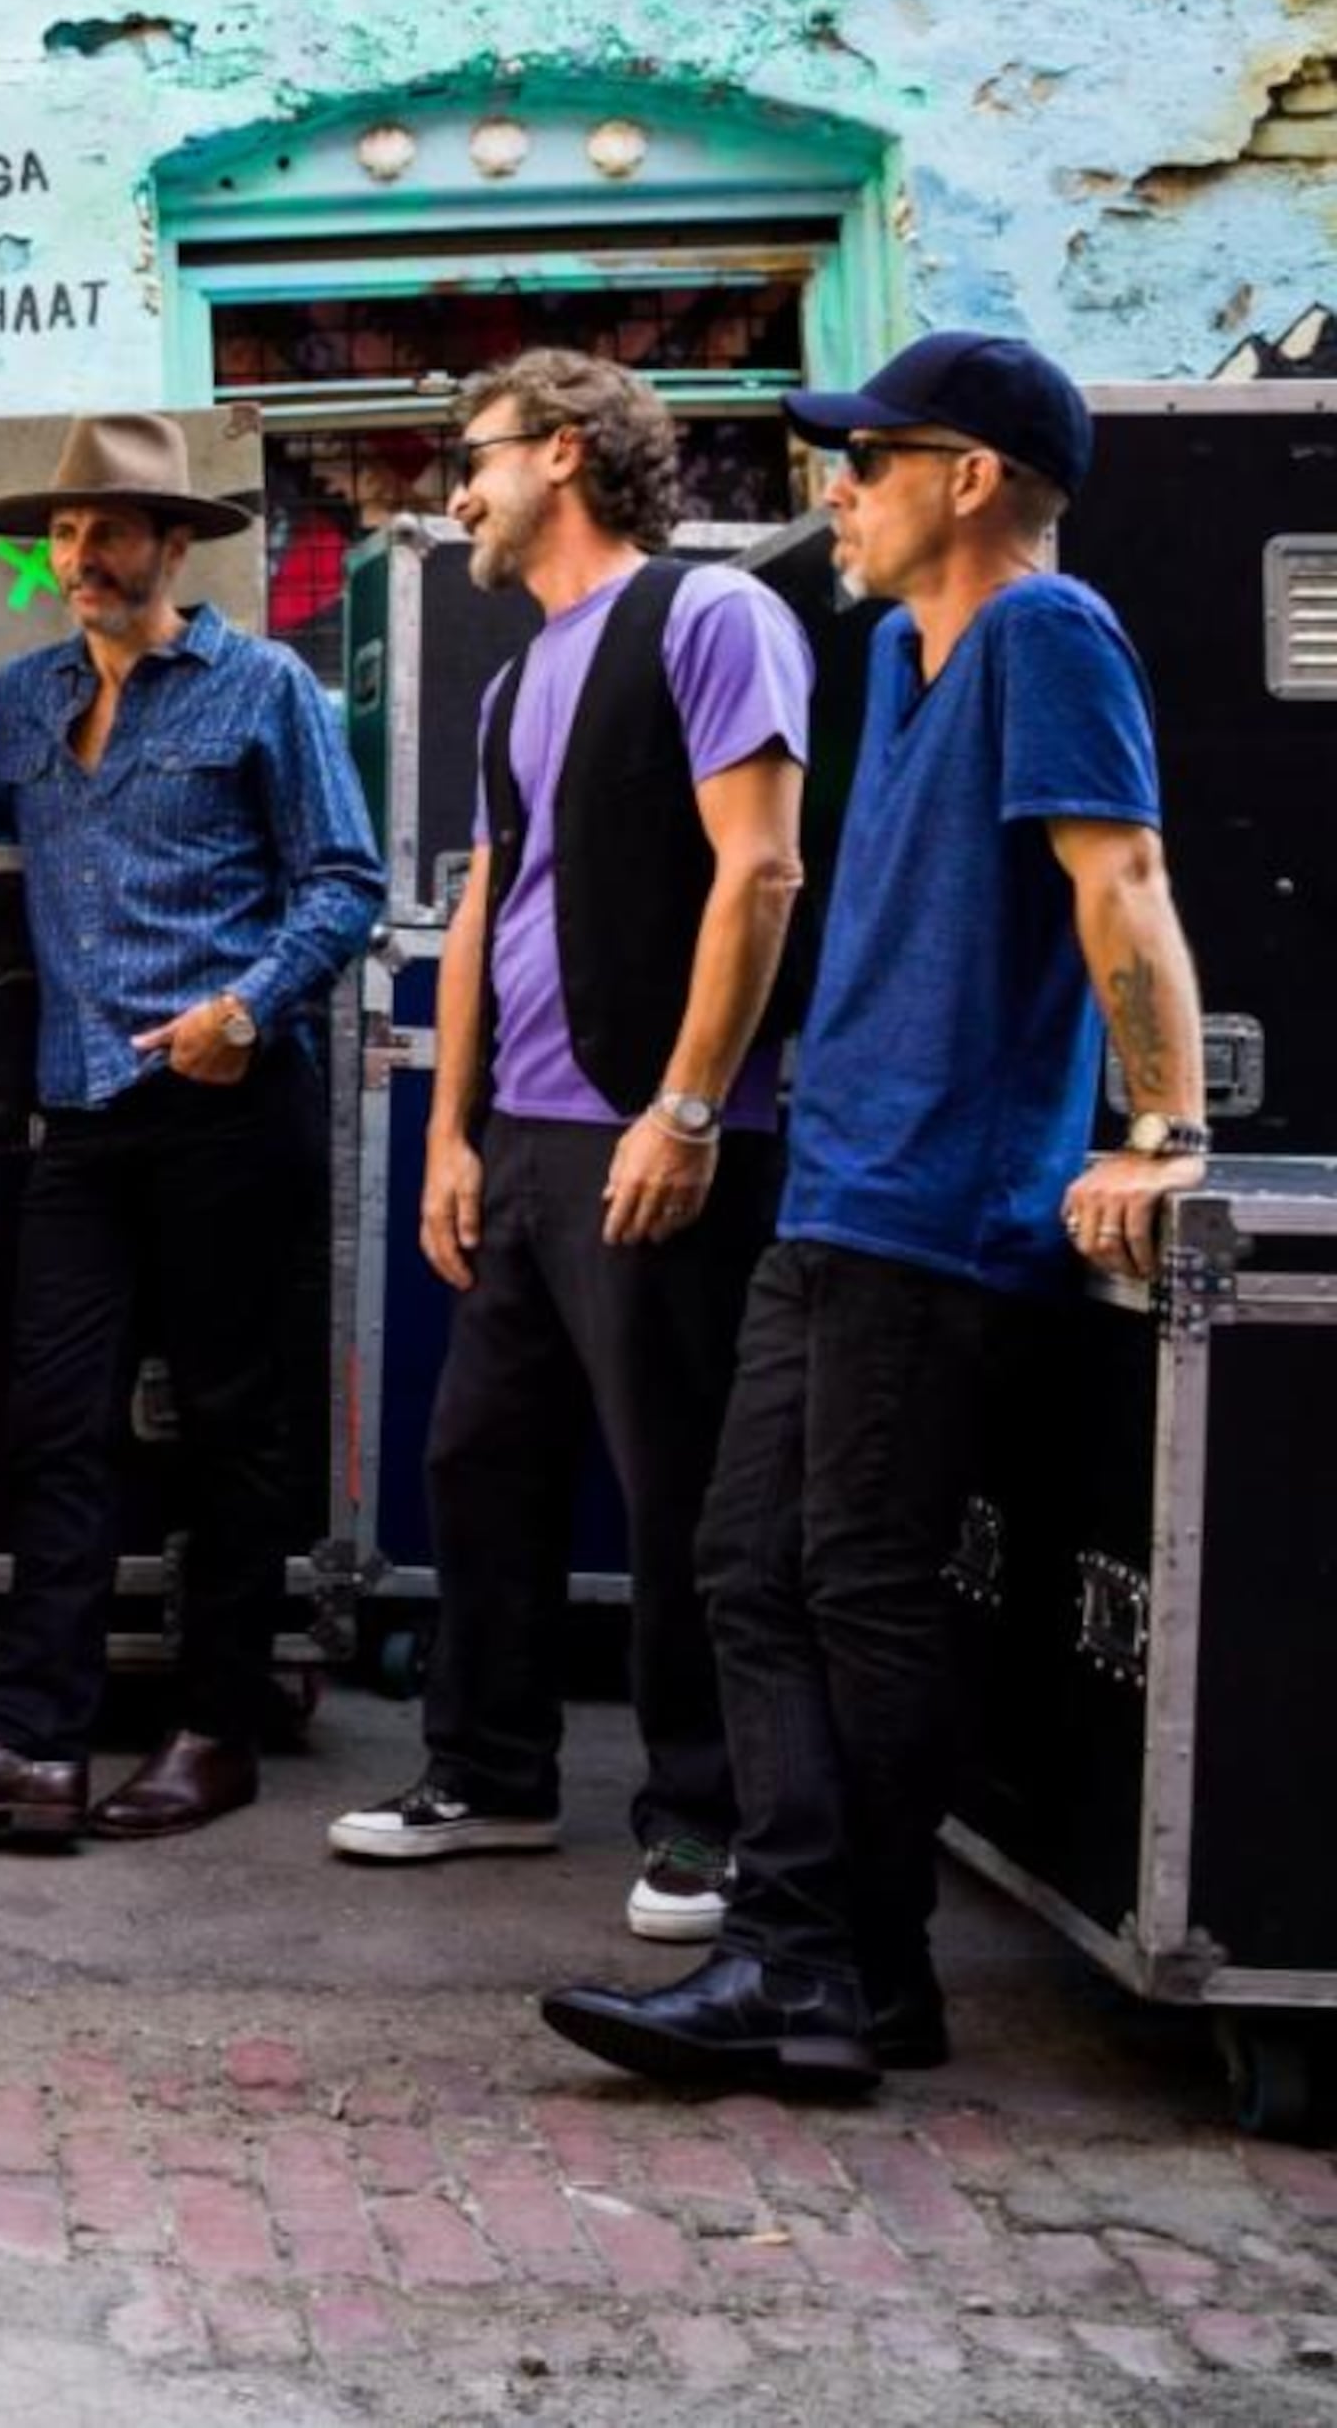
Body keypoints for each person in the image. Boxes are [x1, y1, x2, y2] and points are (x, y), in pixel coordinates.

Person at [544, 330, 1208, 2095]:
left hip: (938, 1206)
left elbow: (1120, 877)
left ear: (970, 476)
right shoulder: (903, 657)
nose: (835, 490)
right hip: (842, 1190)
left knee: (853, 1579)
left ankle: (821, 1968)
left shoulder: (1045, 633)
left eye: (868, 458)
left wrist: (1159, 1122)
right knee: (752, 1564)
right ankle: (829, 1966)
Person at [0, 412, 380, 1850]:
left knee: (229, 1429)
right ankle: (32, 1745)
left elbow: (343, 884)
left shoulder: (265, 689)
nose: (78, 555)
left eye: (106, 532)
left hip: (227, 1104)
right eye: (63, 534)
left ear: (173, 543)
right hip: (77, 1108)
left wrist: (246, 1010)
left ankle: (214, 1729)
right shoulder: (25, 693)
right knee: (55, 1421)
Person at [328, 353, 812, 1949]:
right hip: (531, 1141)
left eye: (468, 458)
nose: (449, 492)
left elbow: (760, 873)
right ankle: (490, 1772)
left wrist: (685, 1107)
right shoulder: (515, 669)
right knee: (481, 1461)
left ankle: (708, 1822)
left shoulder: (712, 619)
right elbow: (480, 910)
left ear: (565, 450)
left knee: (681, 1490)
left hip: (659, 1137)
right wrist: (450, 1134)